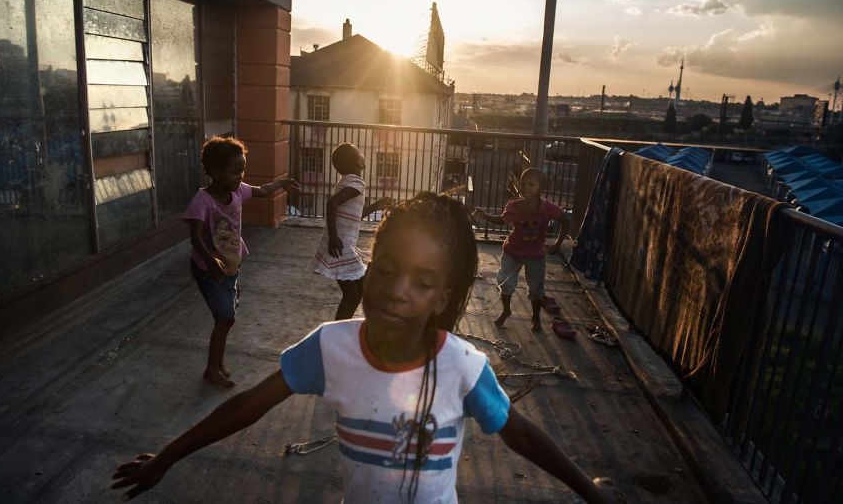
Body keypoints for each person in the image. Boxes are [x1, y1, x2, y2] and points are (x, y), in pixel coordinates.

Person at [112, 193, 620, 503]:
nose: (398, 289)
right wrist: (168, 457)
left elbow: (522, 435)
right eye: (388, 267)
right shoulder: (331, 347)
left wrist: (589, 490)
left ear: (442, 297)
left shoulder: (462, 367)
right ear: (369, 264)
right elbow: (248, 406)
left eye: (422, 282)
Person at [183, 136, 299, 388]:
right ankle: (212, 369)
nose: (240, 177)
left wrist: (282, 183)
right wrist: (210, 259)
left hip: (232, 265)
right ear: (215, 172)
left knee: (227, 317)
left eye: (242, 171)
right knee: (225, 317)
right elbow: (195, 237)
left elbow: (262, 191)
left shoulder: (238, 192)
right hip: (208, 269)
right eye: (235, 172)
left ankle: (217, 363)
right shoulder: (202, 201)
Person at [473, 167, 570, 332]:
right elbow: (502, 220)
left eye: (531, 184)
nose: (525, 187)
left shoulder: (547, 208)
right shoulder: (515, 206)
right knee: (506, 283)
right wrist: (485, 216)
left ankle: (536, 317)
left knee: (536, 289)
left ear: (540, 188)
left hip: (536, 255)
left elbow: (565, 221)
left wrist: (557, 244)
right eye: (523, 184)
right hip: (513, 252)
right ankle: (506, 310)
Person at [312, 142, 391, 320]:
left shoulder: (347, 181)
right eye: (360, 153)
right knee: (353, 294)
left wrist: (375, 206)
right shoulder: (357, 183)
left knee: (356, 292)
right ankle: (339, 330)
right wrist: (334, 237)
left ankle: (342, 327)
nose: (363, 155)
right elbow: (331, 204)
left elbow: (355, 215)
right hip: (340, 245)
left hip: (341, 244)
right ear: (358, 162)